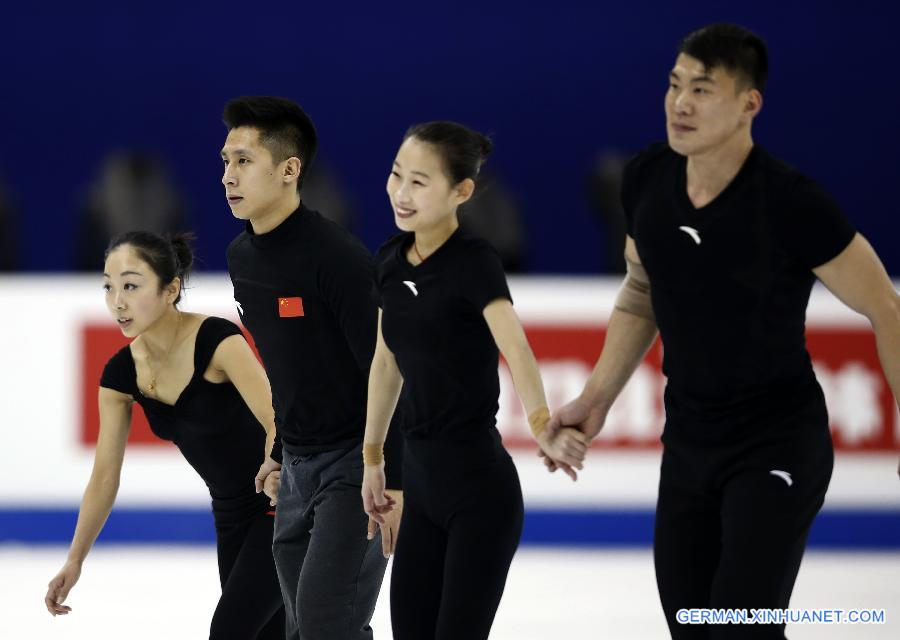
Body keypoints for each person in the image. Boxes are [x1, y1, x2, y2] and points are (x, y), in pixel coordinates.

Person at [547, 23, 900, 639]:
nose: (680, 103)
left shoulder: (792, 202)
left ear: (748, 104)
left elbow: (885, 309)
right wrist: (595, 399)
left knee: (740, 628)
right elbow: (641, 293)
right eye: (674, 84)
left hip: (777, 445)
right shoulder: (647, 179)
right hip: (688, 445)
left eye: (703, 89)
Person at [361, 121, 589, 640]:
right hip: (420, 491)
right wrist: (373, 458)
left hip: (480, 497)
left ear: (460, 191)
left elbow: (516, 347)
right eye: (397, 174)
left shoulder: (474, 263)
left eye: (419, 181)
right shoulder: (389, 263)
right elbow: (385, 362)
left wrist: (541, 423)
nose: (401, 191)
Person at [223, 96, 403, 640]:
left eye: (244, 161)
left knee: (329, 624)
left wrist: (393, 479)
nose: (229, 176)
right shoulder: (242, 258)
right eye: (225, 161)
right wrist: (279, 452)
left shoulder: (337, 258)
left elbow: (388, 370)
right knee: (304, 628)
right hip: (298, 469)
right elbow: (288, 367)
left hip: (357, 466)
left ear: (289, 169)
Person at [44, 231, 285, 639]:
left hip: (280, 505)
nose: (117, 301)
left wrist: (276, 470)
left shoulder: (218, 341)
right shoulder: (120, 375)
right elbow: (104, 476)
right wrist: (75, 560)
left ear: (170, 288)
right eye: (109, 286)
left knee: (230, 631)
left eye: (132, 285)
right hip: (229, 517)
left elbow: (277, 418)